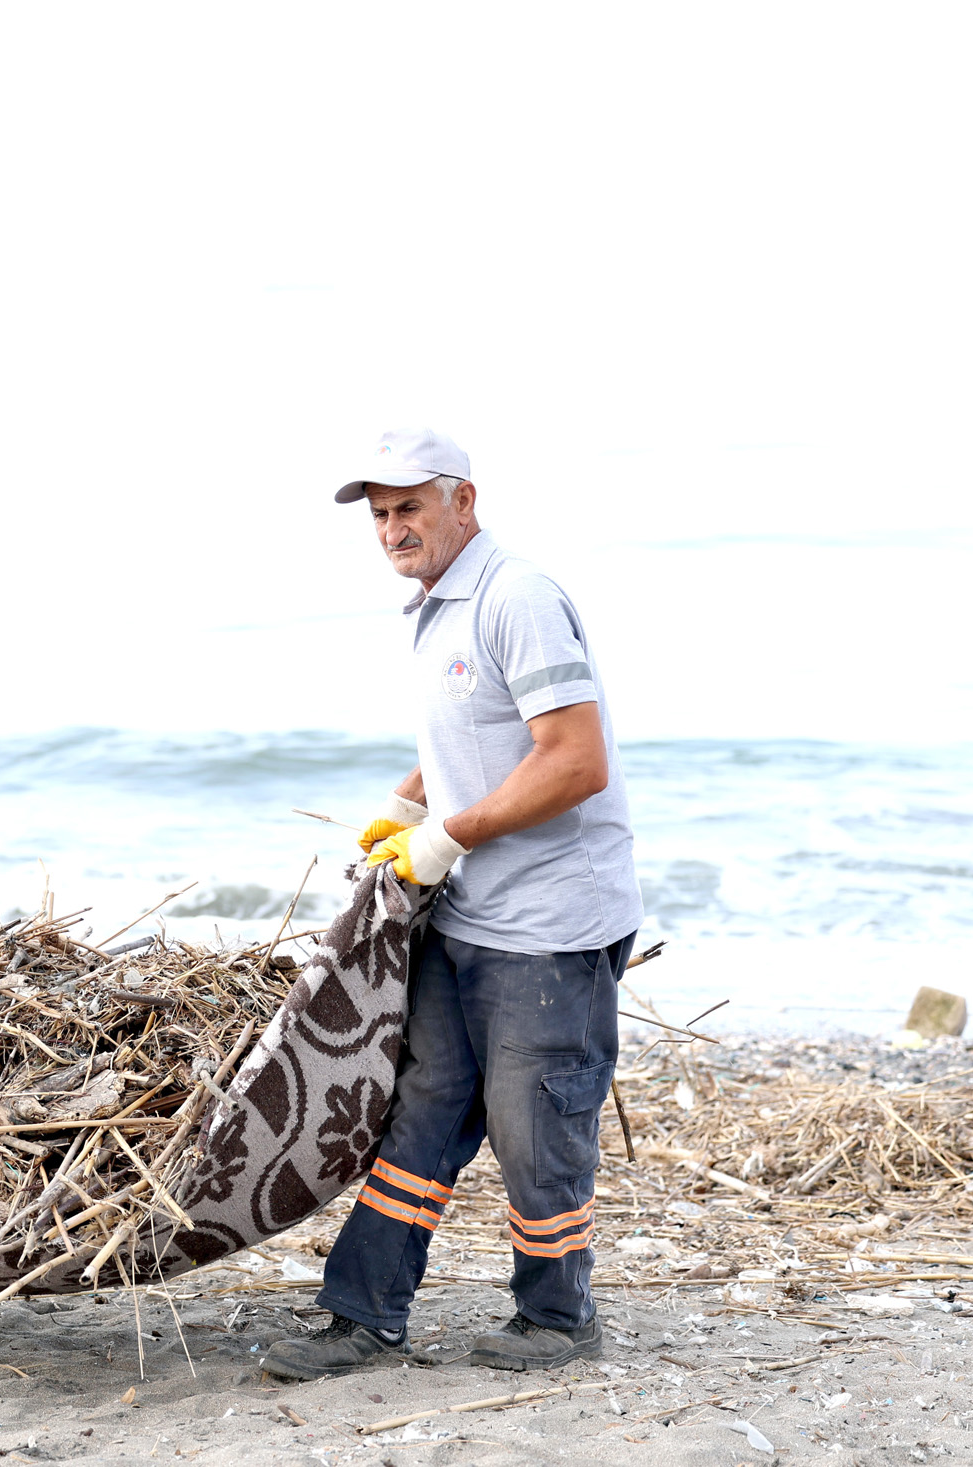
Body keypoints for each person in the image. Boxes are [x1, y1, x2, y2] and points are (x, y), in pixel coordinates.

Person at [267, 428, 643, 1379]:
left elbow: (576, 761)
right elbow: (475, 739)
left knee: (534, 1122)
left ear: (463, 502)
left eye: (410, 508)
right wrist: (408, 800)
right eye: (381, 514)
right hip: (468, 914)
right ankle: (363, 1314)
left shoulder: (517, 597)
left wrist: (447, 835)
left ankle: (559, 1318)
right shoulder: (435, 608)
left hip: (551, 925)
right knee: (421, 1110)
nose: (394, 528)